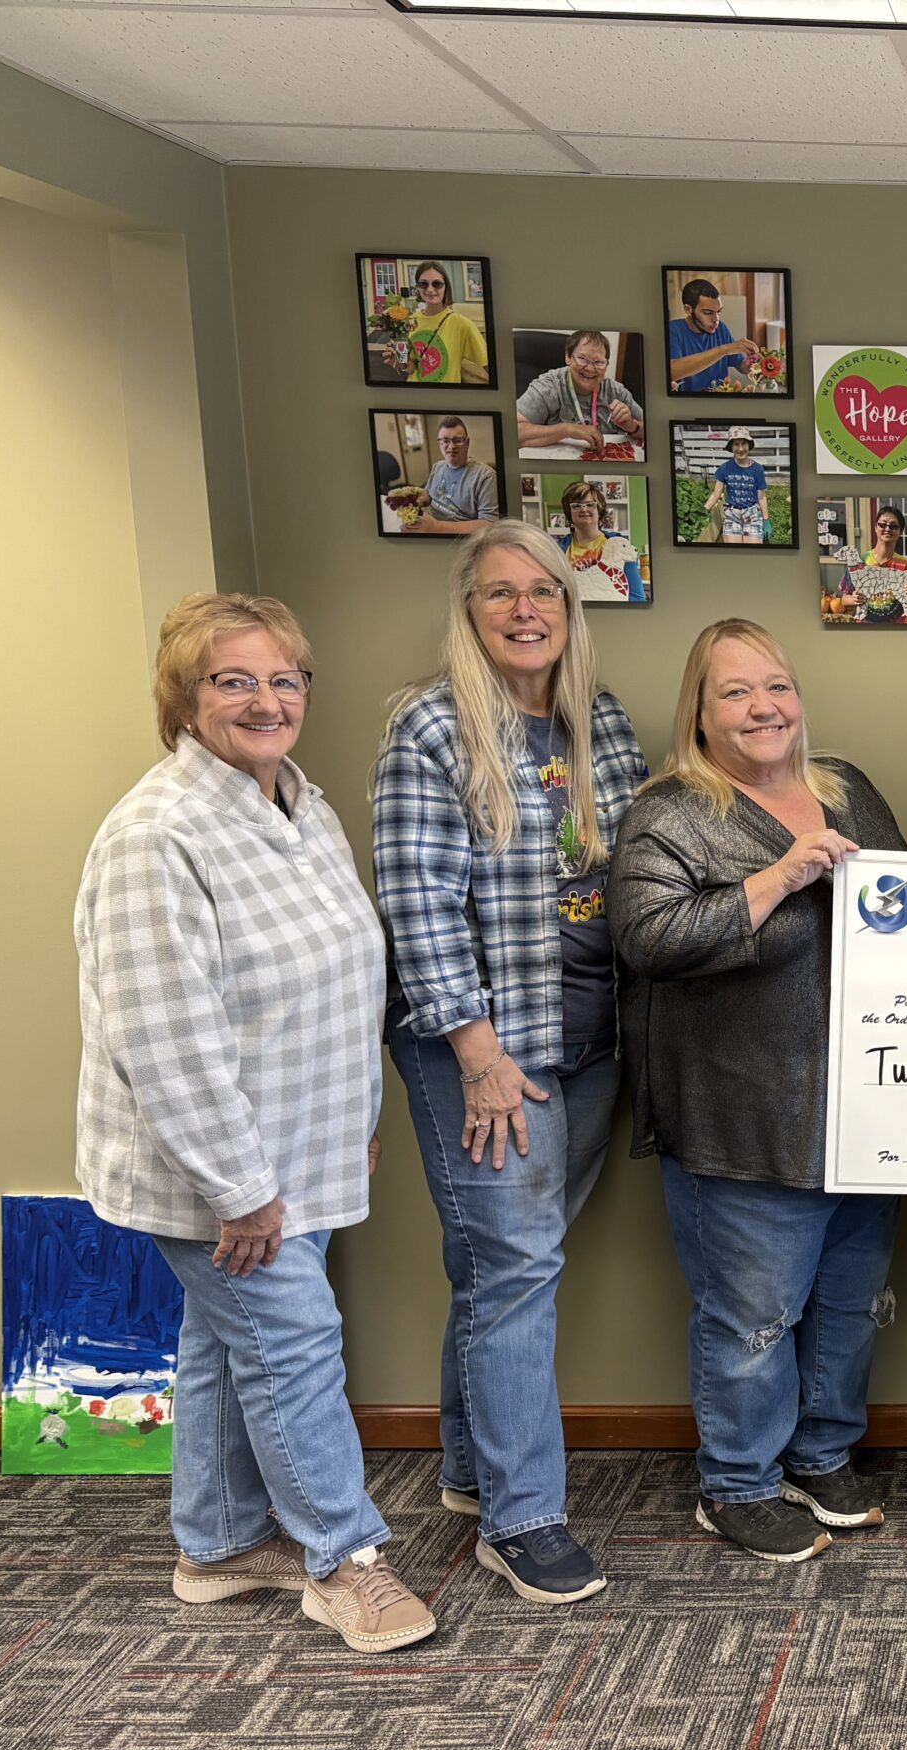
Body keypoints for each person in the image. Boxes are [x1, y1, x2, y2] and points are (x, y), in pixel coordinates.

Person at [77, 592, 432, 1654]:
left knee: (223, 1341)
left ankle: (220, 1545)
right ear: (184, 699)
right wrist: (240, 1189)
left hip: (301, 1142)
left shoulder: (300, 806)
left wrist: (352, 1121)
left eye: (284, 678)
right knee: (291, 1343)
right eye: (233, 680)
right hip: (219, 1168)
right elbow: (166, 1037)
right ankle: (342, 1560)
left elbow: (339, 980)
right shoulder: (157, 835)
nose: (266, 700)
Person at [372, 521, 648, 1606]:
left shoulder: (599, 722)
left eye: (545, 591)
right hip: (485, 1046)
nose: (527, 610)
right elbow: (417, 902)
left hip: (590, 1039)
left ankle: (468, 1468)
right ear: (469, 610)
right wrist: (476, 1053)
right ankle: (522, 1520)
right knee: (516, 1272)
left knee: (496, 1266)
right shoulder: (431, 726)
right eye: (501, 593)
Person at [610, 620, 906, 1562]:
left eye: (776, 686)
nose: (763, 707)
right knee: (753, 1319)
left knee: (850, 1303)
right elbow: (648, 938)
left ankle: (820, 1454)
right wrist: (778, 878)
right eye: (735, 692)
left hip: (860, 1112)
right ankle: (737, 1482)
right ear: (698, 714)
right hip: (738, 1115)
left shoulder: (844, 787)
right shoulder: (669, 811)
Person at [516, 328, 643, 457]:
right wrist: (566, 429)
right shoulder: (549, 386)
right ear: (568, 357)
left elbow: (650, 432)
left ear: (606, 364)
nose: (590, 369)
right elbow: (512, 431)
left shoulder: (616, 391)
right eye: (583, 359)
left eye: (599, 362)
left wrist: (632, 426)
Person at [397, 417, 499, 536]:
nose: (451, 446)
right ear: (439, 443)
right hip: (427, 526)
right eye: (445, 441)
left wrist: (437, 528)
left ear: (467, 443)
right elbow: (430, 495)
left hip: (456, 538)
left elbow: (489, 524)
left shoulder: (486, 476)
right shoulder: (437, 467)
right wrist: (423, 498)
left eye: (458, 440)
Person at [827, 503, 907, 623]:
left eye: (894, 526)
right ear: (875, 527)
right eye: (882, 524)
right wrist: (854, 598)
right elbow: (844, 599)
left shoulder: (905, 565)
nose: (887, 529)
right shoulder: (860, 562)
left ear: (900, 531)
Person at [395, 261, 489, 386]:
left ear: (446, 287)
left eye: (437, 284)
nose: (429, 289)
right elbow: (411, 366)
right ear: (417, 287)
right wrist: (399, 361)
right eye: (423, 284)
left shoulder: (463, 325)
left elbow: (487, 365)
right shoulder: (410, 320)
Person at [555, 479, 643, 605]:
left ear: (599, 509)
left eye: (590, 504)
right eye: (577, 506)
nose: (583, 509)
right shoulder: (557, 549)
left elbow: (637, 597)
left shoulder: (618, 545)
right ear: (569, 512)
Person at [668, 278, 759, 395]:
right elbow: (672, 372)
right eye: (708, 313)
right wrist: (724, 350)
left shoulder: (721, 328)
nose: (716, 319)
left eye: (718, 312)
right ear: (688, 309)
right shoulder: (673, 330)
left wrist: (757, 364)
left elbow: (742, 366)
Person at [705, 431, 773, 545]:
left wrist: (766, 521)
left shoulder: (757, 469)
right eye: (736, 444)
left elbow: (761, 498)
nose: (740, 449)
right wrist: (704, 511)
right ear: (731, 447)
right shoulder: (725, 468)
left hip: (752, 514)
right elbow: (716, 495)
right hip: (732, 515)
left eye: (744, 444)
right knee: (733, 552)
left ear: (749, 445)